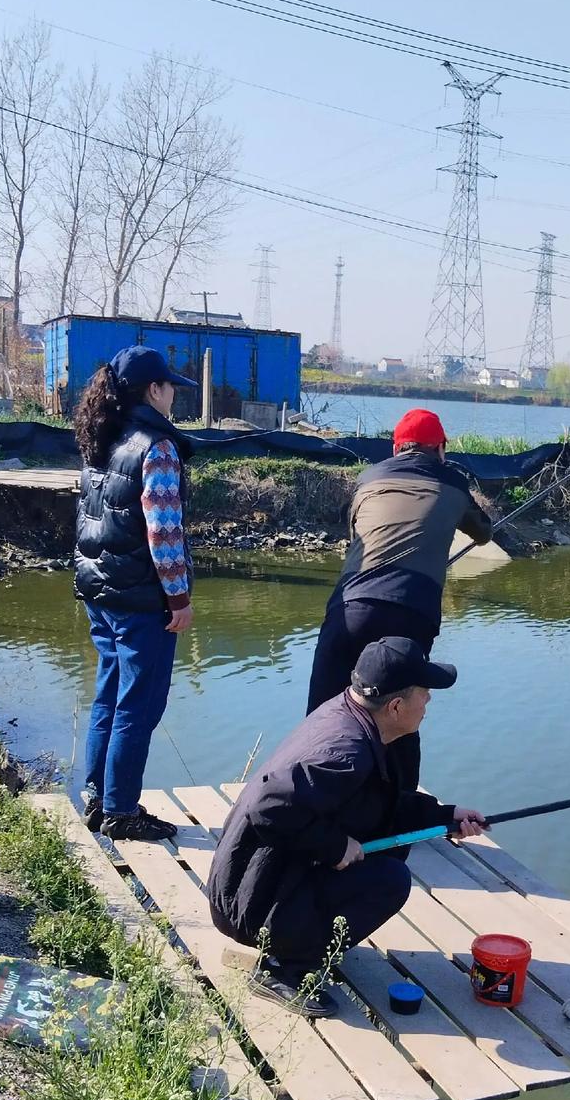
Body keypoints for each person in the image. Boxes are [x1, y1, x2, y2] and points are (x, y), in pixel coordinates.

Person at [207, 637, 486, 1017]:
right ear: (396, 705)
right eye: (424, 693)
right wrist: (335, 846)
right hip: (248, 903)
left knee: (389, 851)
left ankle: (301, 937)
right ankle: (284, 970)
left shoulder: (349, 715)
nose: (429, 702)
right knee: (390, 880)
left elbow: (376, 804)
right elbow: (267, 805)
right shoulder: (345, 751)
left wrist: (445, 816)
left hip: (254, 885)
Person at [306, 407, 492, 783]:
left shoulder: (367, 479)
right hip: (412, 613)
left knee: (324, 713)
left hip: (351, 606)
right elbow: (484, 532)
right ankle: (399, 815)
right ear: (441, 448)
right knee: (401, 717)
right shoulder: (453, 483)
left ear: (396, 448)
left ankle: (308, 801)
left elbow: (355, 531)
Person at [73, 345, 197, 842]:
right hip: (141, 600)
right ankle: (121, 811)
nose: (174, 396)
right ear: (154, 390)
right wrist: (180, 599)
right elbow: (163, 534)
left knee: (108, 695)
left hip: (100, 592)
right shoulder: (157, 447)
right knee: (139, 705)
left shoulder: (101, 437)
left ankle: (97, 795)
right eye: (170, 387)